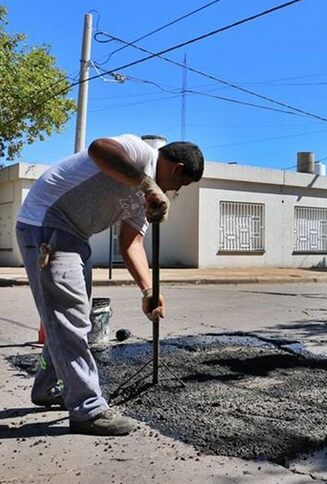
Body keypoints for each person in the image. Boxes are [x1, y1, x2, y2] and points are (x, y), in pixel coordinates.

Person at [15, 135, 204, 436]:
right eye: (179, 185)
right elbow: (98, 149)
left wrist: (147, 290)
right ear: (177, 168)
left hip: (75, 236)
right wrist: (147, 184)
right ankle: (87, 410)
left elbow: (132, 244)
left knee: (69, 316)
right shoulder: (139, 152)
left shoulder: (147, 198)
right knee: (70, 318)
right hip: (46, 223)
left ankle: (49, 386)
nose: (175, 191)